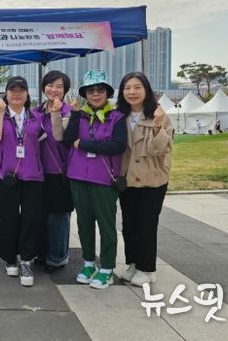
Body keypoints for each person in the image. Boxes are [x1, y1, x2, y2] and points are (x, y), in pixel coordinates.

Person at [64, 70, 127, 290]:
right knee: (84, 224)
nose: (96, 94)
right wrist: (74, 114)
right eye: (91, 90)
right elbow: (68, 139)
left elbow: (118, 146)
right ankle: (89, 263)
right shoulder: (80, 115)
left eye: (100, 89)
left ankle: (107, 268)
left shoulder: (117, 117)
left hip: (104, 180)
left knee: (106, 225)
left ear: (107, 93)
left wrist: (85, 145)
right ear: (85, 94)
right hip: (78, 176)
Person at [0, 76, 45, 287]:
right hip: (8, 175)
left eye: (21, 90)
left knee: (31, 217)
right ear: (6, 94)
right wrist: (1, 113)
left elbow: (41, 144)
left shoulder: (36, 117)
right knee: (8, 217)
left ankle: (26, 260)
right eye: (13, 90)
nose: (17, 94)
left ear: (27, 94)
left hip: (33, 175)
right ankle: (10, 257)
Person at [116, 72, 173, 286]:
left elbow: (160, 149)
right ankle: (133, 263)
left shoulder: (159, 114)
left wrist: (157, 126)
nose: (132, 92)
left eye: (137, 87)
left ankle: (147, 269)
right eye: (127, 88)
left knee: (147, 224)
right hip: (127, 178)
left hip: (152, 179)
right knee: (129, 224)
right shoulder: (119, 115)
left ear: (146, 90)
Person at [35, 71, 73, 273]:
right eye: (50, 85)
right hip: (38, 172)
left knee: (58, 217)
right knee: (40, 215)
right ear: (44, 88)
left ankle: (57, 257)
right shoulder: (36, 111)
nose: (54, 89)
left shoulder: (69, 113)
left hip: (61, 171)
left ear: (65, 90)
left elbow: (61, 137)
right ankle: (42, 253)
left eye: (59, 86)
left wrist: (56, 114)